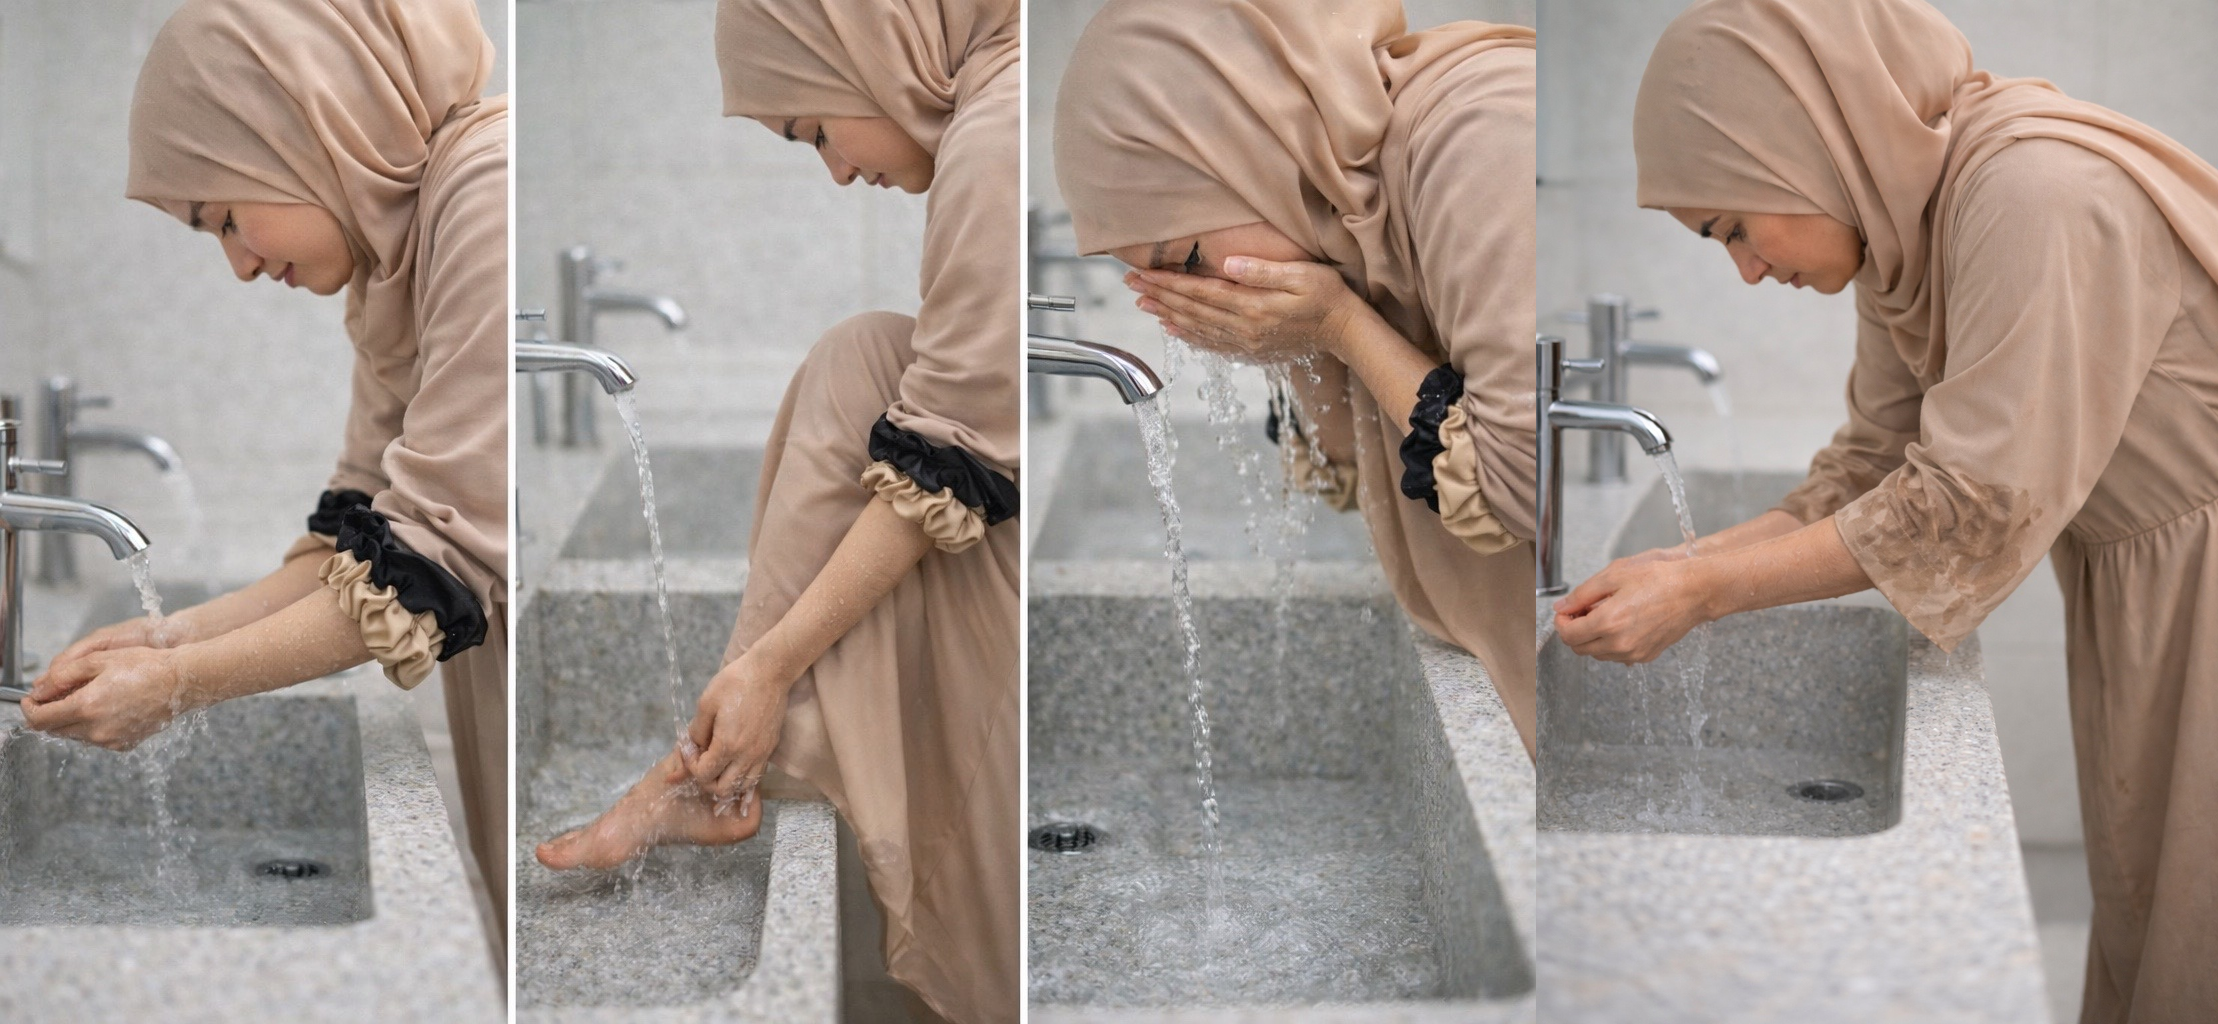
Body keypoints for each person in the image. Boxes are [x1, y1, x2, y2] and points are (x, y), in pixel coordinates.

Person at [1557, 0, 2218, 1018]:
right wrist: (1677, 566)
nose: (1743, 267)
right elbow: (1872, 465)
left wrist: (1702, 591)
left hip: (2204, 583)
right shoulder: (1900, 220)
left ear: (1805, 142)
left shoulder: (2038, 194)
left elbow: (1965, 503)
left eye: (1734, 223)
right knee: (2155, 921)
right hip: (2151, 587)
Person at [530, 1, 1021, 1020]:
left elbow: (949, 468)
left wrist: (764, 667)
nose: (838, 172)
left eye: (811, 132)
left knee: (862, 373)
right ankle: (710, 773)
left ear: (868, 44)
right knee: (862, 361)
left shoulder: (991, 138)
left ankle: (709, 773)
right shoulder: (992, 107)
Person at [20, 0, 510, 956]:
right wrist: (166, 639)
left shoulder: (483, 193)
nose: (240, 266)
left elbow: (427, 569)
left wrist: (178, 683)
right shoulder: (392, 257)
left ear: (306, 123)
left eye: (225, 219)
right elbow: (362, 536)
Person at [1055, 0, 1540, 753]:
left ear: (1257, 142)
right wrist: (1290, 339)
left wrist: (1340, 325)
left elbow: (1519, 484)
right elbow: (1353, 472)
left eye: (1186, 260)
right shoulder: (1344, 210)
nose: (1197, 291)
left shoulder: (1480, 132)